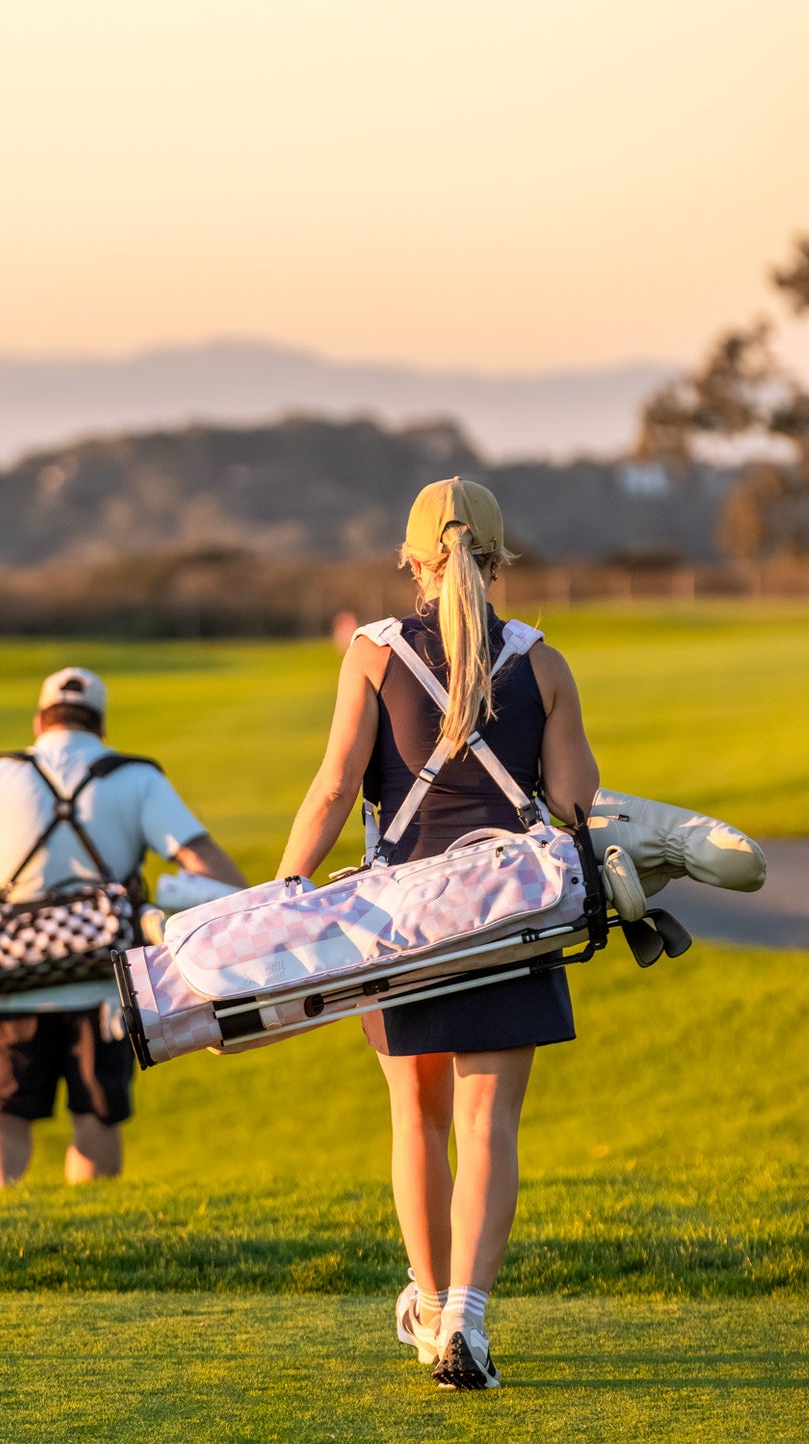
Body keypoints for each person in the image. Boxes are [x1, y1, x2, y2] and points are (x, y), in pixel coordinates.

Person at [276, 477, 599, 1389]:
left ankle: (424, 1303)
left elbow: (336, 787)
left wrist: (286, 892)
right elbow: (575, 808)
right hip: (511, 918)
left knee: (415, 1116)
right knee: (487, 1118)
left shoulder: (372, 653)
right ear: (497, 559)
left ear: (413, 558)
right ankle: (468, 1317)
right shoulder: (543, 664)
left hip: (404, 924)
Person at [0, 666, 246, 1190]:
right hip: (105, 985)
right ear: (101, 726)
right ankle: (87, 1221)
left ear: (40, 721)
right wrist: (245, 910)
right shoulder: (137, 779)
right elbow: (201, 860)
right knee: (96, 1111)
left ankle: (3, 1207)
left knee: (3, 1108)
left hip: (12, 981)